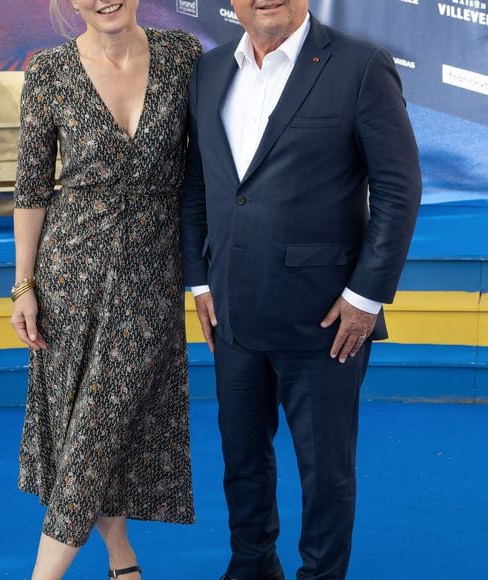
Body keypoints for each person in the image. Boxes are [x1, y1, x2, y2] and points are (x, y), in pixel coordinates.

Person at [181, 2, 421, 579]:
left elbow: (398, 187)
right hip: (232, 314)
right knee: (241, 461)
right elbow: (196, 184)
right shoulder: (209, 71)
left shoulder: (361, 66)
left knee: (326, 472)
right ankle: (252, 567)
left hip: (326, 320)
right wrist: (199, 280)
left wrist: (365, 298)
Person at [10, 1, 201, 578]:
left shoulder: (182, 57)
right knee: (89, 427)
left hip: (152, 276)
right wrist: (24, 283)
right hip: (71, 272)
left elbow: (211, 164)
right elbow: (31, 186)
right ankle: (122, 561)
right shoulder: (48, 70)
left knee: (99, 424)